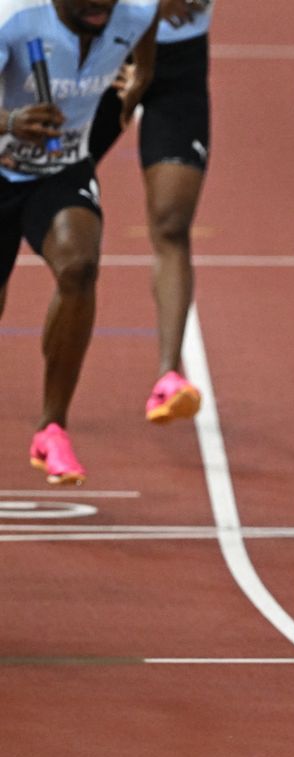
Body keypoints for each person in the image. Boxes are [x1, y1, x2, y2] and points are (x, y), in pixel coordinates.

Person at [1, 0, 159, 485]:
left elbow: (152, 21)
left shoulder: (133, 13)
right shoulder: (13, 20)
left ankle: (52, 428)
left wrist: (141, 77)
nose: (98, 9)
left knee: (79, 267)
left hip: (60, 170)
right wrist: (10, 123)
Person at [90, 0, 213, 424]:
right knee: (29, 193)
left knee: (172, 222)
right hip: (103, 49)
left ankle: (168, 375)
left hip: (179, 61)